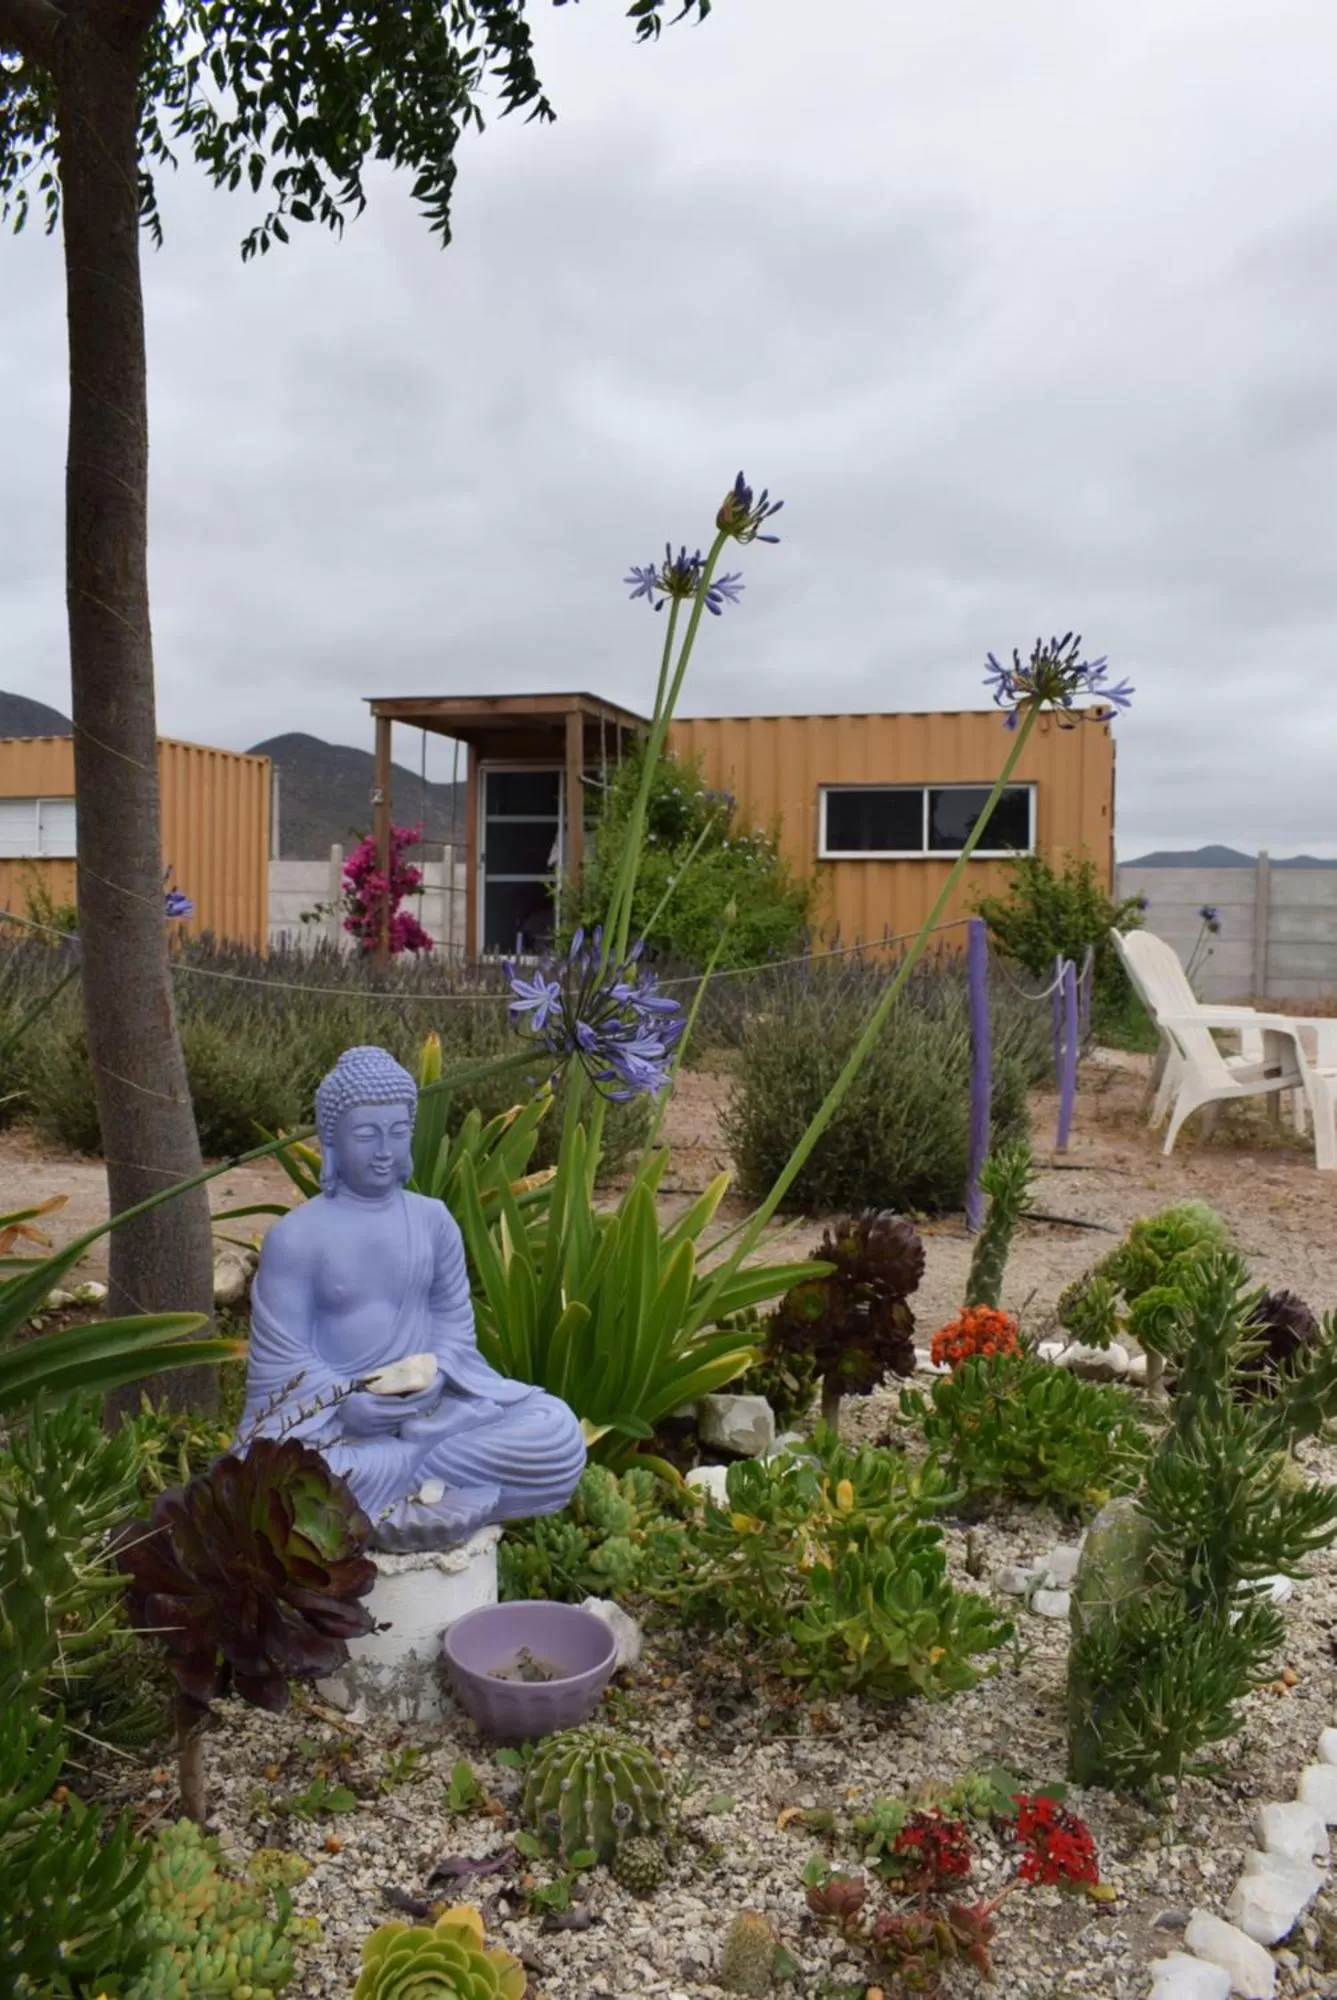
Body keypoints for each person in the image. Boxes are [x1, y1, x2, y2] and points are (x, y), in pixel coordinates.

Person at [236, 1045, 585, 1550]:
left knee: (557, 1431)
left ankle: (405, 1471)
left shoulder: (432, 1221)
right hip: (337, 1431)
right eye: (366, 1134)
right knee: (276, 1473)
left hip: (433, 1413)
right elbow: (280, 1364)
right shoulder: (296, 1237)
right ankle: (414, 1473)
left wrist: (439, 1378)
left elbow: (453, 1329)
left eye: (397, 1132)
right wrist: (345, 1402)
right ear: (331, 1139)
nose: (384, 1149)